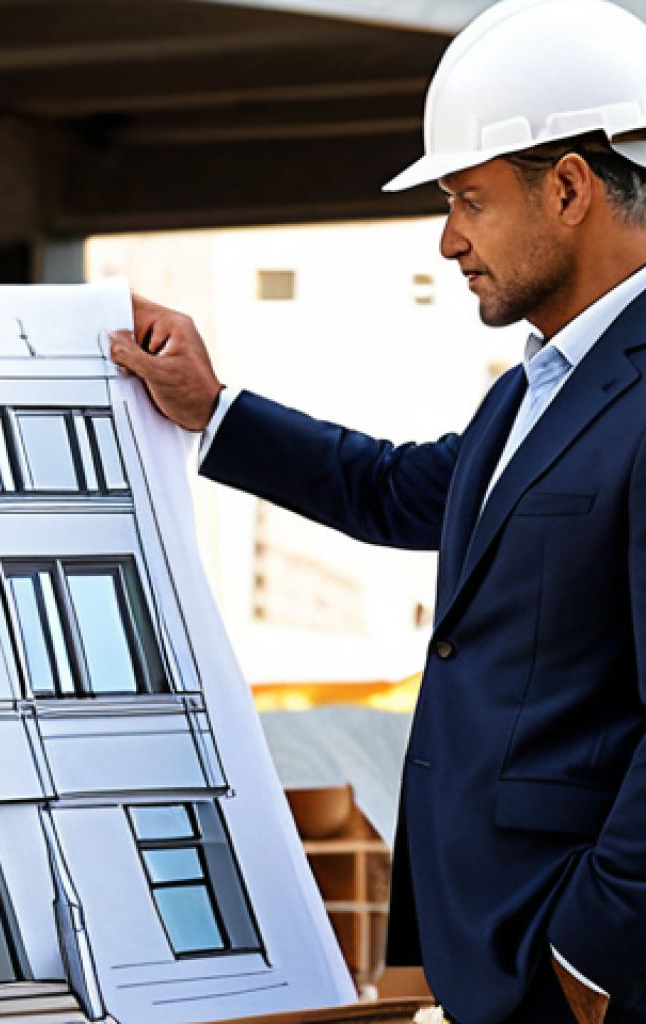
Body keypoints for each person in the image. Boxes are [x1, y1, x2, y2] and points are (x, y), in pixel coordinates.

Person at [109, 2, 646, 1022]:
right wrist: (211, 411)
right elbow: (398, 490)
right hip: (503, 953)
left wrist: (592, 954)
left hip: (581, 969)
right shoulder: (534, 390)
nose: (448, 240)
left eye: (468, 200)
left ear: (569, 187)